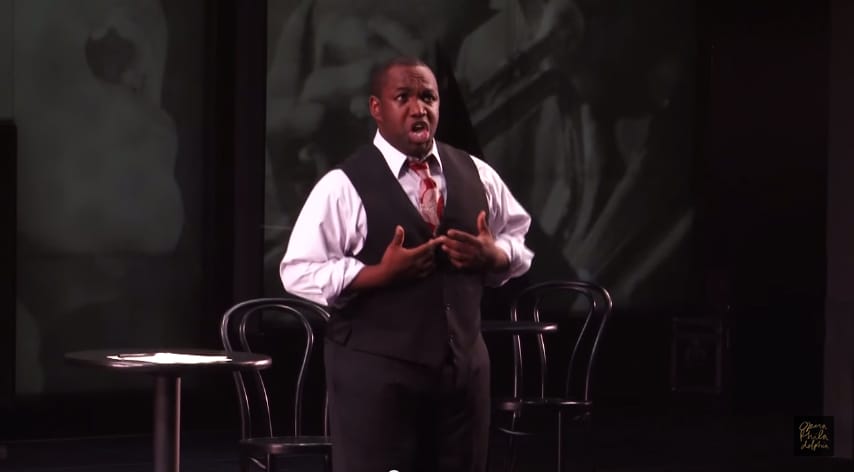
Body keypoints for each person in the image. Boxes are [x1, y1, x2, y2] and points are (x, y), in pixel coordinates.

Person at [279, 56, 533, 472]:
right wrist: (377, 274)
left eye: (428, 97)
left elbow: (517, 239)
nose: (420, 109)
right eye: (404, 97)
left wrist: (496, 256)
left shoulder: (477, 174)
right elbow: (299, 269)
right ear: (377, 108)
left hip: (463, 374)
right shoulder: (343, 185)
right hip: (375, 374)